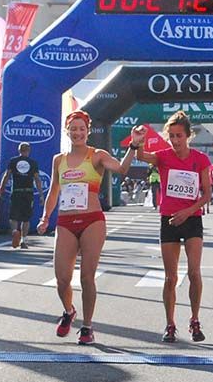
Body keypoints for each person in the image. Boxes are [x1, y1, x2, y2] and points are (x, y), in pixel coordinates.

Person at [38, 111, 138, 345]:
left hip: (92, 220)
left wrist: (133, 146)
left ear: (88, 131)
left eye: (82, 128)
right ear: (67, 131)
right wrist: (45, 218)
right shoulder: (58, 160)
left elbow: (121, 170)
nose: (78, 133)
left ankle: (87, 326)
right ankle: (69, 310)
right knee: (62, 279)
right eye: (73, 129)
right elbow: (54, 191)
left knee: (86, 277)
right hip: (65, 222)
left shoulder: (97, 156)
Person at [132, 112, 212, 342]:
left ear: (188, 136)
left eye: (179, 136)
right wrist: (137, 141)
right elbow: (141, 156)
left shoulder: (200, 159)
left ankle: (194, 320)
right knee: (170, 277)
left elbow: (207, 194)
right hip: (168, 219)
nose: (175, 141)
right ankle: (170, 323)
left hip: (192, 219)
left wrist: (187, 211)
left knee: (194, 272)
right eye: (172, 136)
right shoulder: (163, 156)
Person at [0, 142, 43, 249]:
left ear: (19, 150)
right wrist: (41, 194)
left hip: (16, 191)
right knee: (26, 218)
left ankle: (15, 231)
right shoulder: (33, 163)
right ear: (28, 151)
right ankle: (24, 240)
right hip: (28, 192)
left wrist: (2, 188)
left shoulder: (13, 161)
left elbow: (6, 175)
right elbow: (37, 179)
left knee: (13, 216)